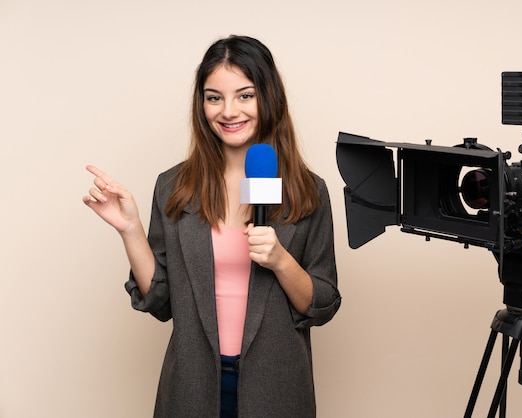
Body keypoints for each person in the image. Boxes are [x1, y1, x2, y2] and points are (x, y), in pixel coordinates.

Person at [83, 35, 341, 418]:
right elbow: (161, 300)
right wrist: (130, 230)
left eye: (245, 95)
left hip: (277, 387)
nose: (229, 110)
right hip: (192, 385)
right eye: (214, 97)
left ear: (268, 98)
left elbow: (322, 304)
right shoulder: (173, 187)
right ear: (201, 104)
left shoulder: (308, 191)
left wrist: (281, 260)